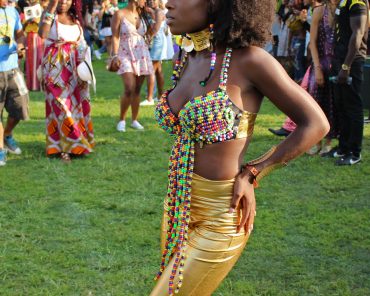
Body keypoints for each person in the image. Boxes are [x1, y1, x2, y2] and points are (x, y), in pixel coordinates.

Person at [151, 0, 329, 295]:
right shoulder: (188, 55)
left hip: (222, 214)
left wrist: (253, 172)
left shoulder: (250, 61)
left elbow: (316, 124)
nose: (168, 3)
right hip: (177, 204)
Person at [38, 0, 95, 163]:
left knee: (77, 106)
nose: (63, 1)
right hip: (55, 69)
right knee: (61, 106)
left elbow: (82, 43)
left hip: (76, 70)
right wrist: (50, 8)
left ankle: (71, 144)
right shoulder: (50, 16)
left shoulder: (76, 19)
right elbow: (42, 34)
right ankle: (68, 147)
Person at [323, 0, 369, 165]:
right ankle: (343, 148)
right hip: (339, 60)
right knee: (341, 105)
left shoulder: (357, 2)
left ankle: (354, 153)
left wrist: (346, 66)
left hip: (351, 62)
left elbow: (357, 34)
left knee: (353, 108)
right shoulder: (343, 2)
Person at [110, 0, 153, 132]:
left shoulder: (143, 15)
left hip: (142, 53)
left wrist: (154, 17)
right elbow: (115, 37)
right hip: (124, 53)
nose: (145, 1)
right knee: (129, 87)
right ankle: (122, 120)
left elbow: (149, 34)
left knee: (137, 89)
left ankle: (134, 120)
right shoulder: (119, 14)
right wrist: (114, 56)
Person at [0, 0, 29, 166]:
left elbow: (20, 34)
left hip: (13, 69)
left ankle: (7, 134)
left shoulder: (13, 11)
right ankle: (0, 149)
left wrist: (20, 46)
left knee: (21, 105)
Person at [140, 0, 167, 106]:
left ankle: (150, 98)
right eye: (149, 0)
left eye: (153, 0)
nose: (151, 2)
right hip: (156, 40)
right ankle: (160, 96)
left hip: (157, 41)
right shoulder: (154, 12)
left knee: (150, 68)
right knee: (158, 70)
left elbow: (155, 29)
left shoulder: (159, 12)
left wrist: (148, 39)